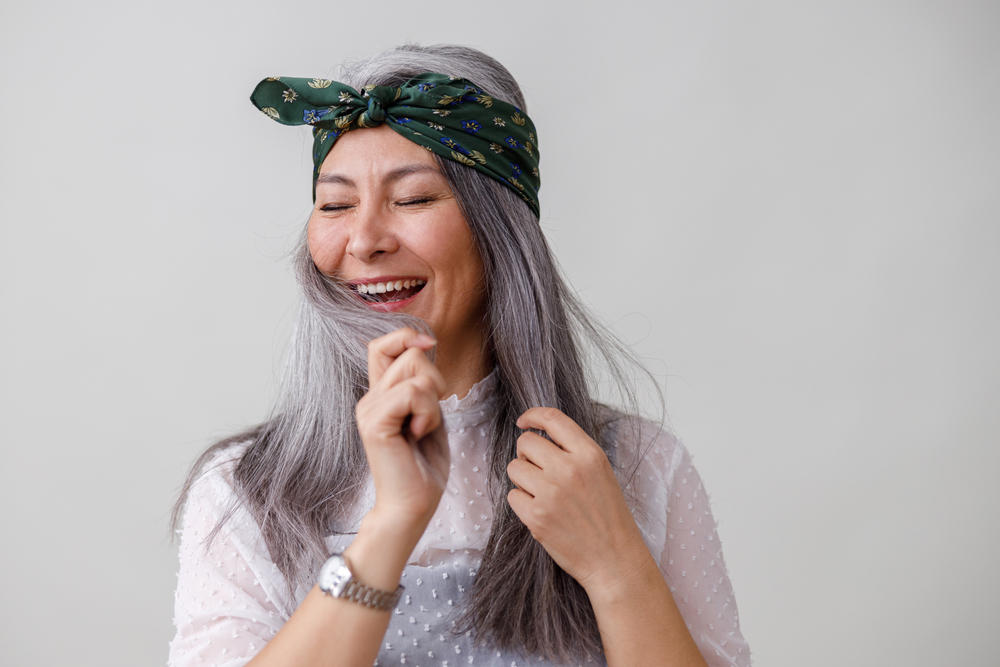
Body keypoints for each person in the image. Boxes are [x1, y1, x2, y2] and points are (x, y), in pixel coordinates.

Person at [168, 44, 751, 667]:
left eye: (413, 200)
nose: (363, 241)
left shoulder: (641, 467)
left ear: (498, 229)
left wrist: (618, 570)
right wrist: (392, 524)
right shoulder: (245, 489)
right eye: (335, 205)